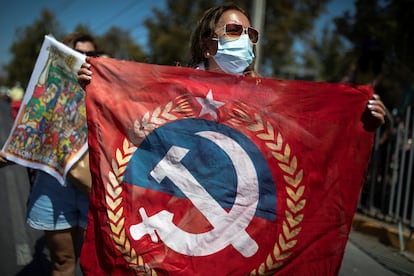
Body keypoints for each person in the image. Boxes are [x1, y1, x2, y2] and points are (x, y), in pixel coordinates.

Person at [1, 32, 99, 276]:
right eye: (80, 54)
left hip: (94, 186)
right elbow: (28, 136)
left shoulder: (108, 91)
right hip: (53, 187)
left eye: (92, 54)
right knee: (64, 262)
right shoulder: (46, 94)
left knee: (94, 265)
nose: (87, 59)